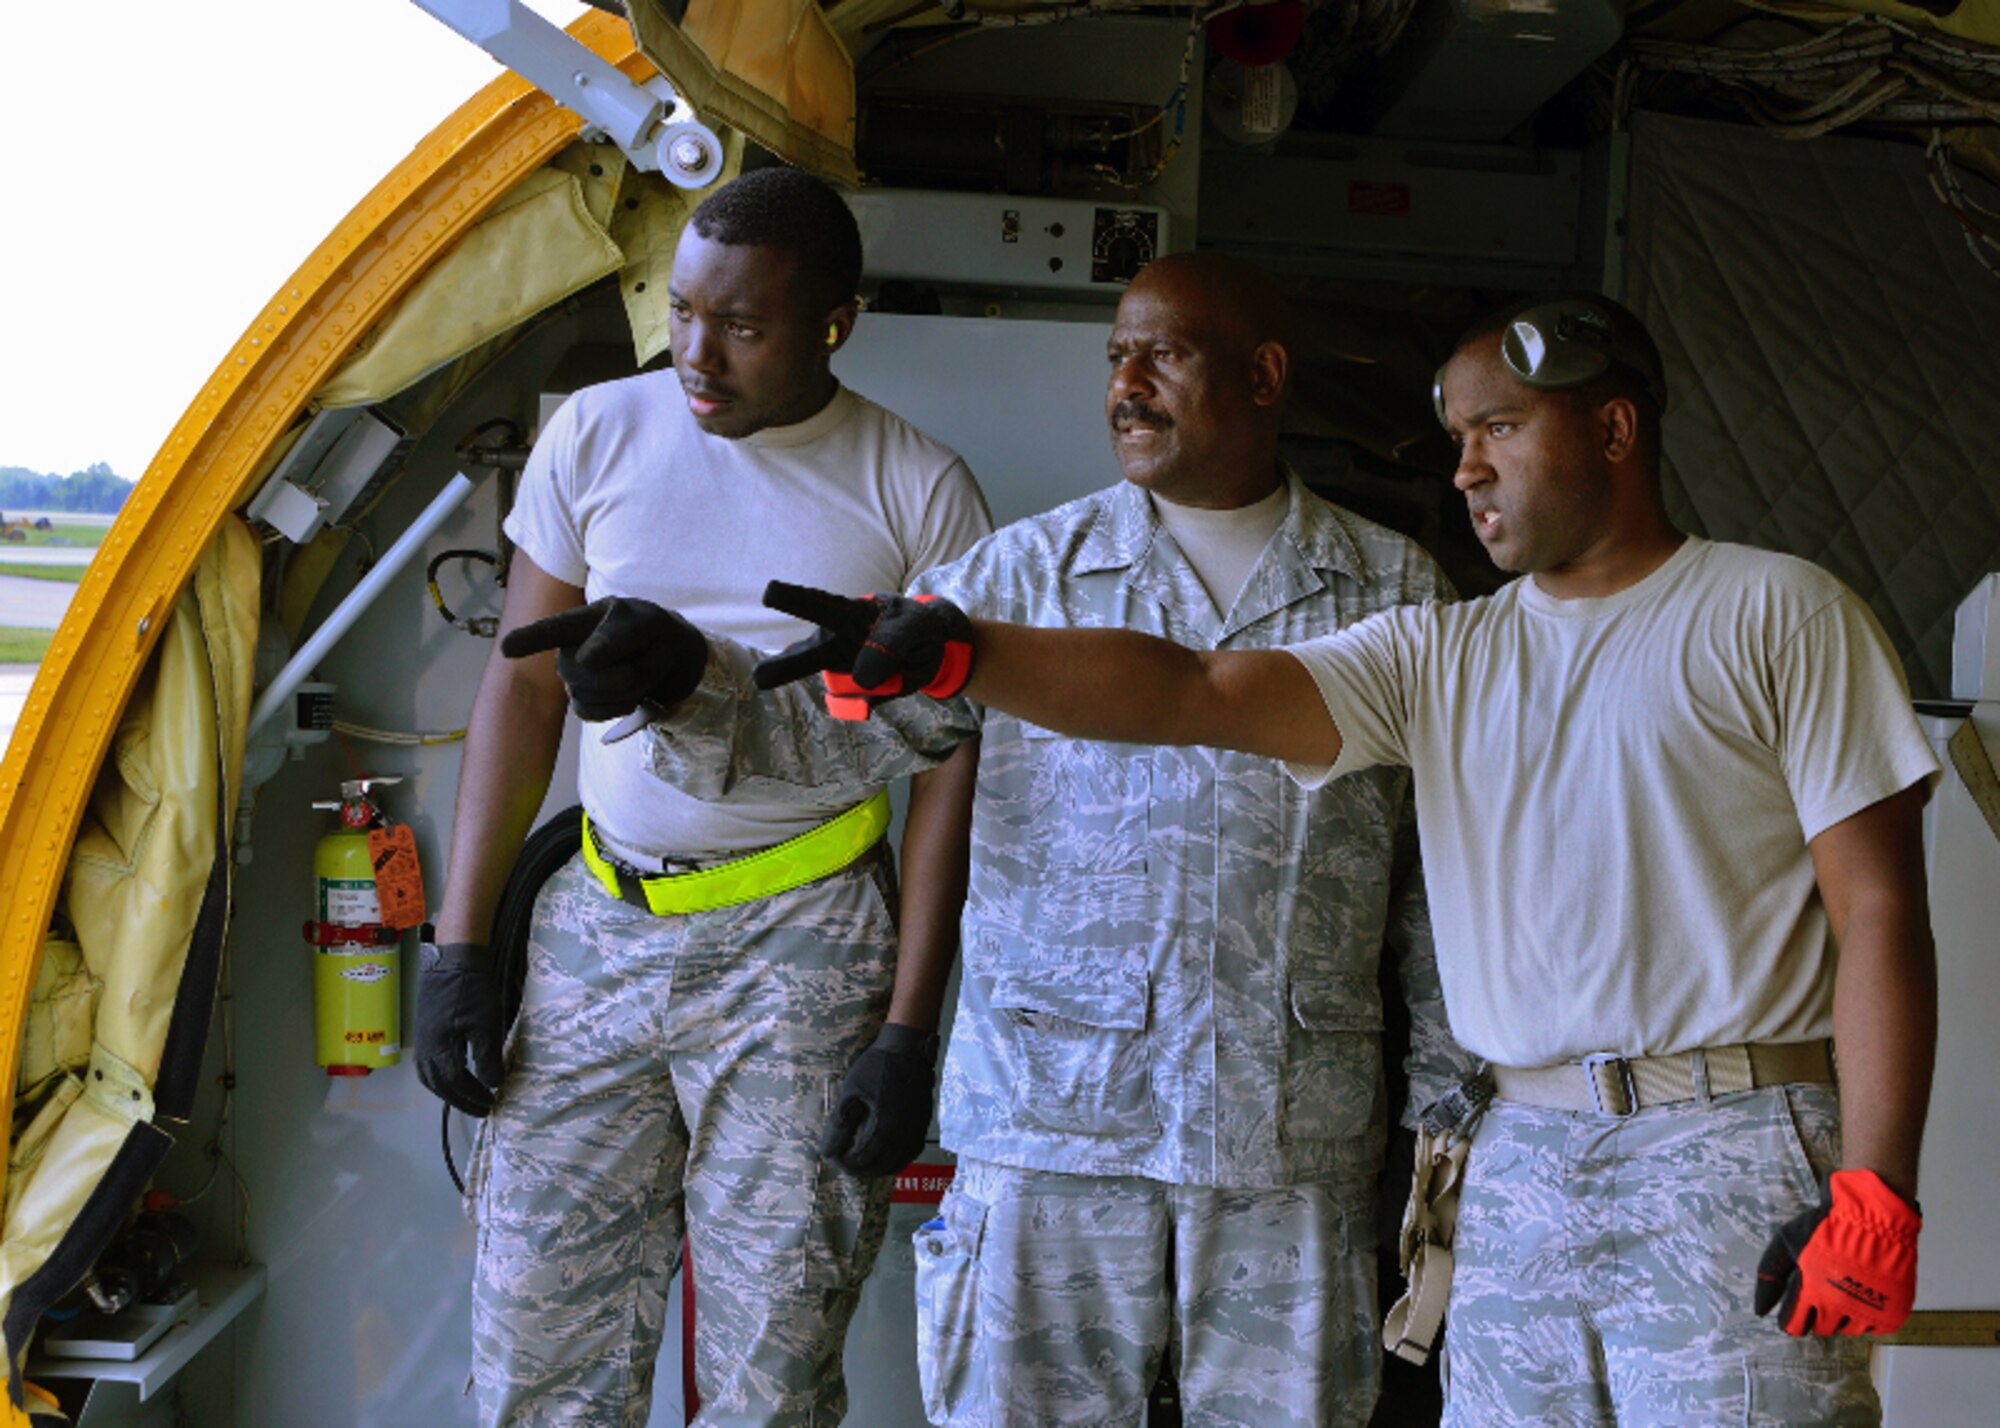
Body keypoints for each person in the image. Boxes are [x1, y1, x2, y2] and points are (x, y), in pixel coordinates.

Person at [753, 293, 1940, 1426]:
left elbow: (1879, 912)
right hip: (1522, 1154)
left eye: (1500, 429)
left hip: (1725, 1141)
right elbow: (1195, 688)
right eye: (1458, 438)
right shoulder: (1439, 649)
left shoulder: (1777, 611)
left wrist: (1876, 1187)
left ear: (1614, 428)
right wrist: (967, 657)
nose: (1465, 468)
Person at [549, 252, 1474, 1425]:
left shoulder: (1391, 591)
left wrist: (1443, 1122)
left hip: (1283, 1143)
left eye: (1164, 354)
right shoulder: (1019, 580)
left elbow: (1436, 884)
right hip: (1049, 1131)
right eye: (1113, 357)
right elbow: (832, 741)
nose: (1125, 385)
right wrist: (687, 688)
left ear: (1263, 375)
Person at [418, 165, 993, 1426]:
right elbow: (518, 690)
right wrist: (460, 946)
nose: (698, 354)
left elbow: (951, 756)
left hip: (805, 947)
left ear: (835, 321)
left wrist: (907, 1029)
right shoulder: (596, 433)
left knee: (769, 1375)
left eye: (741, 326)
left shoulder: (918, 487)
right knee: (536, 1356)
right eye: (680, 311)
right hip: (596, 926)